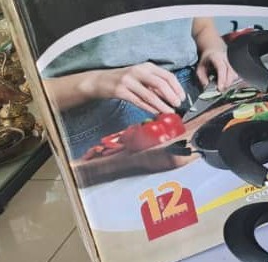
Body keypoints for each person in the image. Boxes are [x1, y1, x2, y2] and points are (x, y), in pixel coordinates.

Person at [43, 17, 235, 157]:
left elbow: (201, 26)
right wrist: (94, 82)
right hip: (101, 111)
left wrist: (213, 47)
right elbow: (30, 96)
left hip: (196, 88)